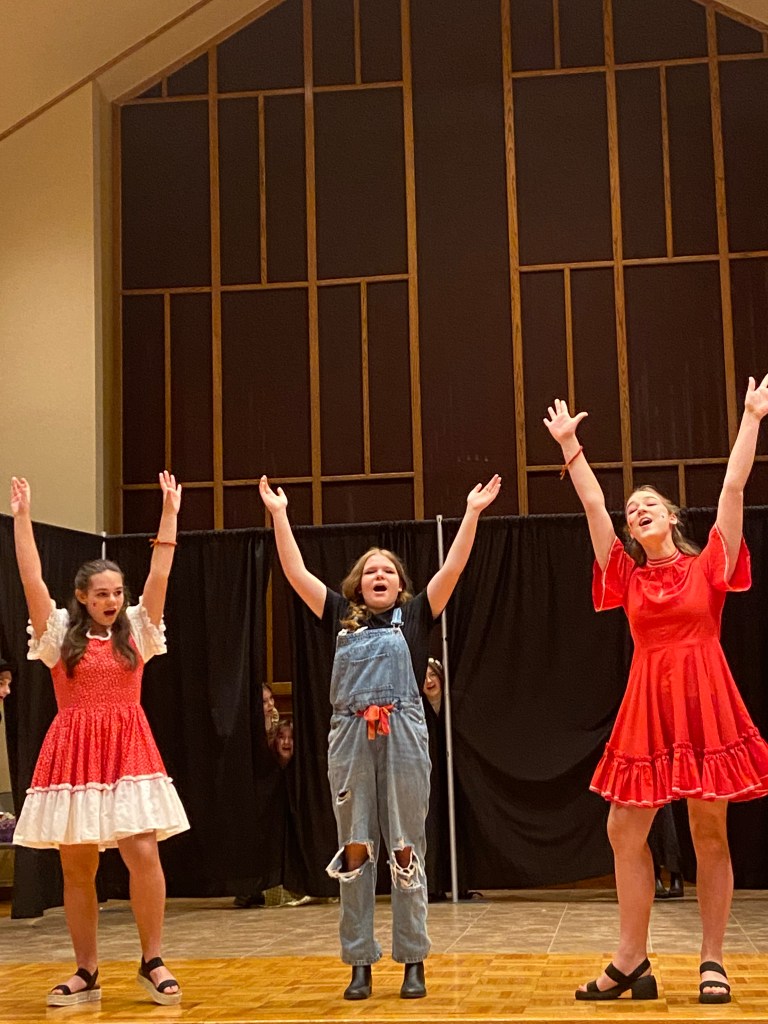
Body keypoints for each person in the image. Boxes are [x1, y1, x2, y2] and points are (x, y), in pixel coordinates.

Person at [544, 381, 768, 1005]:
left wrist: (751, 419)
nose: (636, 510)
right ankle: (631, 959)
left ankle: (712, 958)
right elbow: (593, 508)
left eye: (649, 504)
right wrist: (570, 448)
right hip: (648, 702)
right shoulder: (627, 576)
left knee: (709, 831)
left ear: (672, 518)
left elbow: (732, 489)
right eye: (632, 509)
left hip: (704, 699)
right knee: (623, 828)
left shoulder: (710, 565)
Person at [259, 471, 500, 1000]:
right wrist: (279, 515)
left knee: (406, 845)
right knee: (355, 848)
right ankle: (359, 962)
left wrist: (472, 513)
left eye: (388, 570)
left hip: (404, 732)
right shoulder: (337, 615)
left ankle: (413, 958)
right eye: (371, 570)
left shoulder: (414, 615)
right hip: (349, 735)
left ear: (400, 584)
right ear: (358, 584)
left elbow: (454, 567)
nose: (379, 574)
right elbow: (295, 572)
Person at [11, 472, 189, 1007]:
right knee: (77, 865)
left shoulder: (138, 629)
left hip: (128, 747)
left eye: (117, 592)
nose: (112, 599)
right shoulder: (57, 635)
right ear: (83, 598)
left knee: (143, 851)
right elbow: (30, 577)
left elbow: (161, 571)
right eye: (102, 594)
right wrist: (22, 519)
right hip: (73, 752)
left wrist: (169, 514)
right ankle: (86, 971)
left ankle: (152, 960)